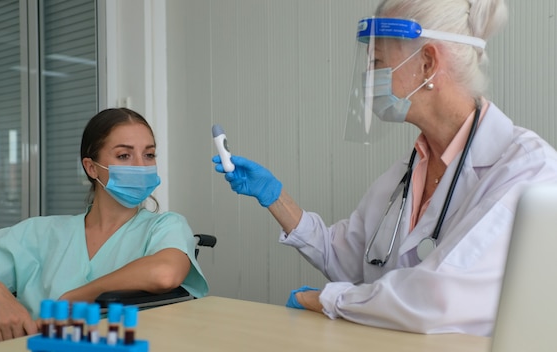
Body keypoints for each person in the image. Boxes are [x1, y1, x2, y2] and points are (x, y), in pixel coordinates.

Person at [212, 0, 557, 337]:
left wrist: (327, 299)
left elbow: (438, 299)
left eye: (377, 62)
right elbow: (348, 261)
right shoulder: (406, 173)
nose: (367, 77)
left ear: (427, 63)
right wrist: (276, 198)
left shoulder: (526, 171)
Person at [0, 108, 208, 341]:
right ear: (91, 168)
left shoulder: (165, 226)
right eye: (124, 155)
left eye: (149, 155)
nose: (140, 166)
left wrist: (80, 295)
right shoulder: (41, 233)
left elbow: (164, 273)